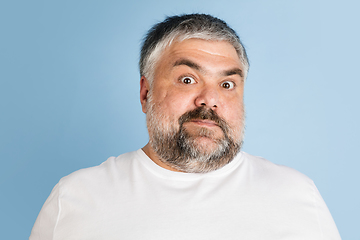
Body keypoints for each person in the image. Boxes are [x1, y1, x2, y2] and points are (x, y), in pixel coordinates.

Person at [30, 13, 341, 239]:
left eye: (227, 84)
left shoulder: (295, 195)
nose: (209, 100)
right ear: (145, 92)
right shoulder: (74, 198)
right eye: (187, 80)